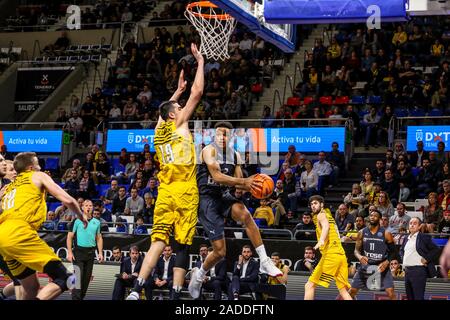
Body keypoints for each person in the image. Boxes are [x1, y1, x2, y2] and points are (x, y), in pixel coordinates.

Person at [127, 44, 204, 301]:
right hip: (184, 190)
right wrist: (201, 63)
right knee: (182, 243)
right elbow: (199, 92)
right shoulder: (179, 123)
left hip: (165, 192)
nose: (182, 108)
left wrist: (177, 90)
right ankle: (175, 296)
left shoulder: (158, 132)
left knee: (158, 241)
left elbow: (164, 111)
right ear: (173, 116)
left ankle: (136, 290)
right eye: (178, 108)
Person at [189, 121, 281, 299]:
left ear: (231, 137)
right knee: (220, 252)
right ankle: (199, 275)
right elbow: (217, 176)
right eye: (218, 133)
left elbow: (239, 186)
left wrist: (257, 186)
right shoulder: (209, 150)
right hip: (206, 199)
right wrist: (245, 182)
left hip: (223, 197)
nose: (221, 137)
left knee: (246, 215)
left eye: (225, 134)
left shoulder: (236, 156)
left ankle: (264, 260)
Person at [0, 152, 87, 300]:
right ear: (31, 167)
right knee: (68, 279)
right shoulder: (37, 175)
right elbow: (68, 200)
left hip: (3, 237)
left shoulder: (6, 189)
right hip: (20, 232)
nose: (40, 167)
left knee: (32, 287)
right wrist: (81, 215)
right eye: (38, 164)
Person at [304, 195, 352, 300]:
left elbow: (326, 226)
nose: (313, 206)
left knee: (309, 285)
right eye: (311, 204)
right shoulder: (327, 214)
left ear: (322, 205)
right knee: (343, 291)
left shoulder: (321, 215)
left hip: (331, 255)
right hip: (341, 256)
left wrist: (321, 240)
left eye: (315, 203)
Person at [348, 209, 398, 300]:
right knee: (351, 291)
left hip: (381, 267)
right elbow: (356, 251)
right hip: (366, 266)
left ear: (379, 219)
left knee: (391, 293)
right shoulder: (362, 232)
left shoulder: (386, 233)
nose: (372, 217)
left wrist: (386, 262)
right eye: (371, 215)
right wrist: (360, 256)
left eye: (375, 215)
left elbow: (394, 251)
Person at [67, 199, 104, 300]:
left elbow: (99, 237)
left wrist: (100, 253)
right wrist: (70, 252)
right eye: (86, 205)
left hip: (90, 253)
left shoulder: (97, 222)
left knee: (86, 280)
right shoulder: (77, 221)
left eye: (90, 205)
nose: (88, 207)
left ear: (93, 208)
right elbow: (70, 237)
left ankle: (80, 298)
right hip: (78, 253)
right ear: (82, 207)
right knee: (78, 279)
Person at [400, 217, 440, 300]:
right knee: (410, 297)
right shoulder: (406, 238)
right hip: (407, 271)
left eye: (415, 223)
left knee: (418, 297)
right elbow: (401, 251)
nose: (412, 225)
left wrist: (427, 258)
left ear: (419, 226)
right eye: (410, 223)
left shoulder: (423, 237)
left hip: (418, 271)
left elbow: (436, 249)